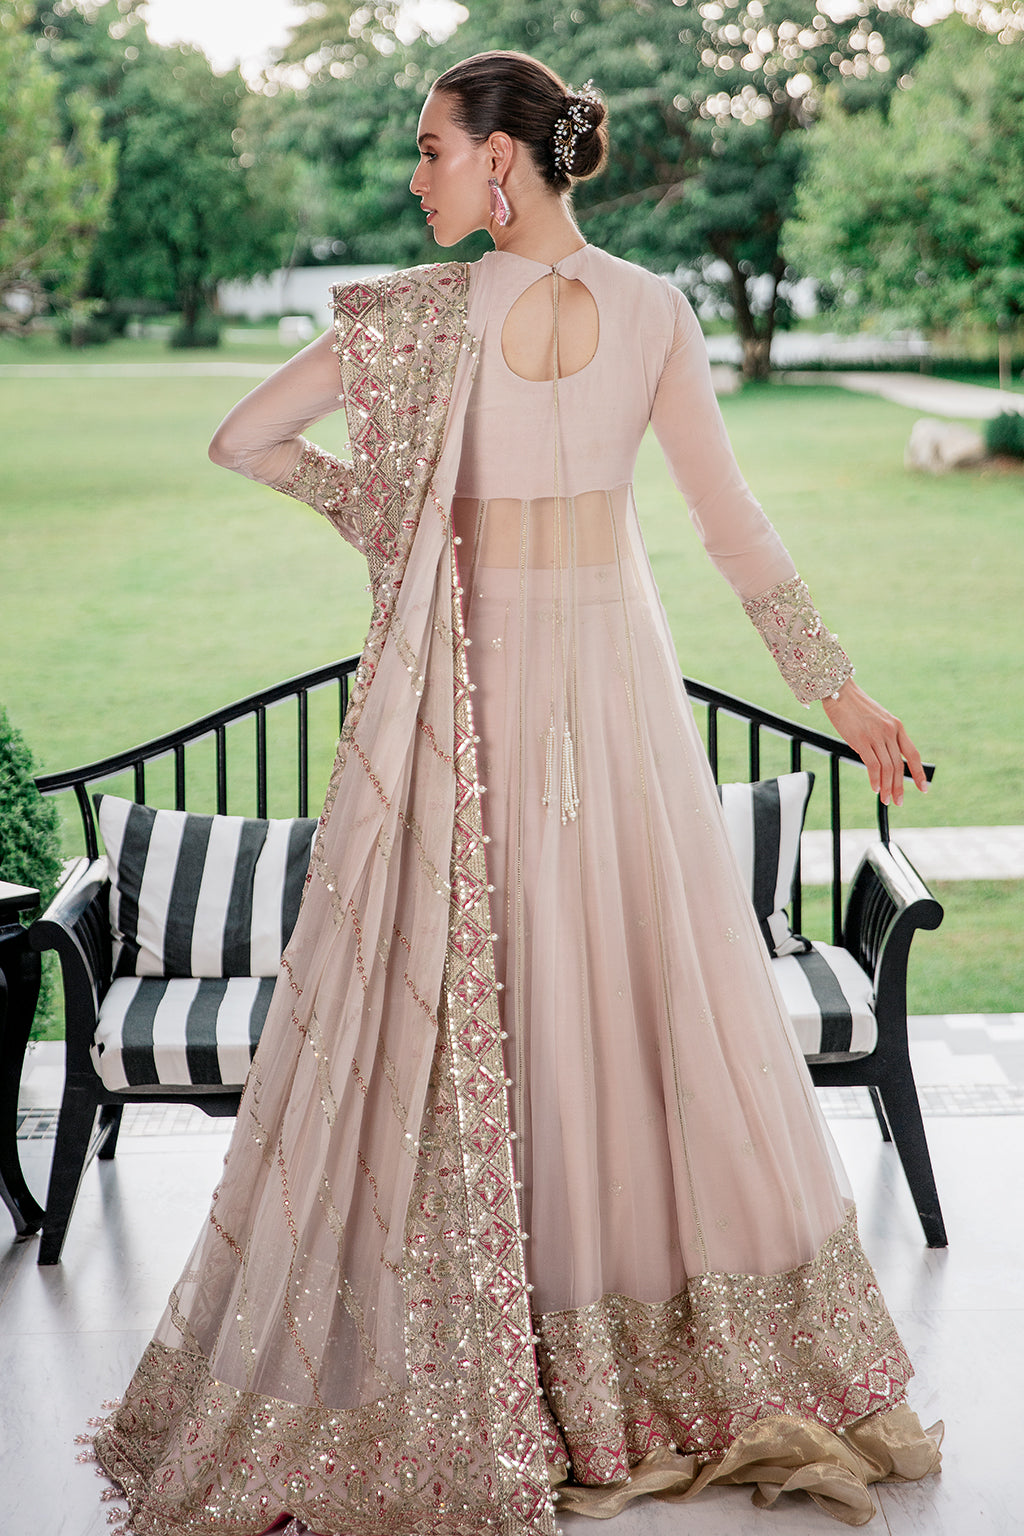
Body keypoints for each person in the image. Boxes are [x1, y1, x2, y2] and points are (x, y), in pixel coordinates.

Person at [92, 51, 940, 1536]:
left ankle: (505, 1348)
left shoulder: (423, 320)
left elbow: (242, 439)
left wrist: (393, 515)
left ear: (502, 158)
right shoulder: (655, 309)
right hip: (614, 695)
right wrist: (841, 695)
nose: (413, 176)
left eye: (431, 148)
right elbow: (730, 523)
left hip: (471, 695)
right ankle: (629, 1358)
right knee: (621, 989)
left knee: (475, 1004)